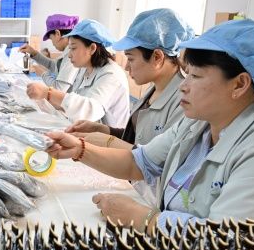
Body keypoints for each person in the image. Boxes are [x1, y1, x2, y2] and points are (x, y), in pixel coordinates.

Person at [46, 19, 254, 250]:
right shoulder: (200, 120)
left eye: (196, 76)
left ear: (239, 84)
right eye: (187, 74)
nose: (183, 86)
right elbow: (138, 163)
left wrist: (145, 219)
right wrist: (80, 150)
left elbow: (227, 245)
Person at [66, 8, 194, 149]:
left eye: (131, 59)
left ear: (157, 57)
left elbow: (159, 158)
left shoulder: (183, 102)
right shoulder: (154, 88)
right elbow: (138, 137)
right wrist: (102, 129)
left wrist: (109, 142)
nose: (126, 67)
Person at [26, 19, 130, 127]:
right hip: (86, 130)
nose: (69, 55)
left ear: (92, 48)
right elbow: (76, 101)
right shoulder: (85, 69)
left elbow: (90, 110)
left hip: (107, 136)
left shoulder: (111, 74)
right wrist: (46, 103)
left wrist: (48, 93)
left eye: (73, 48)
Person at [19, 13, 79, 91]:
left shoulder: (71, 56)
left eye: (51, 39)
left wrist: (42, 73)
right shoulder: (67, 52)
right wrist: (33, 53)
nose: (53, 43)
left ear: (57, 34)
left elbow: (59, 88)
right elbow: (53, 65)